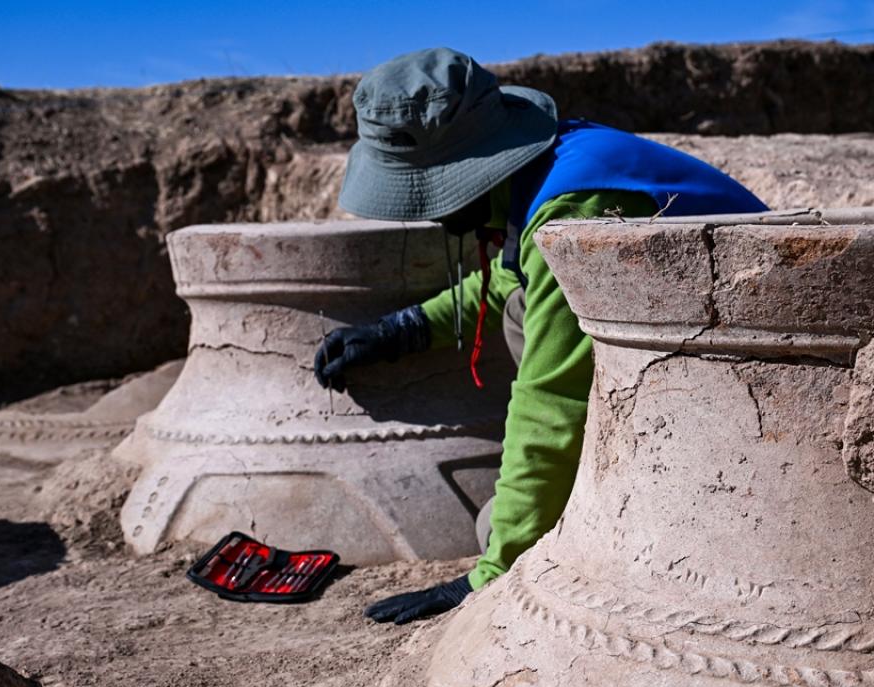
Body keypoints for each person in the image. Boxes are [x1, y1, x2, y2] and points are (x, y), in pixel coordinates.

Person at [313, 48, 767, 624]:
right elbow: (510, 279)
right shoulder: (547, 168)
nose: (427, 214)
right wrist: (402, 329)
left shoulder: (573, 205)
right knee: (520, 311)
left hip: (737, 397)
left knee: (496, 530)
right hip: (696, 365)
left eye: (426, 191)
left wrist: (491, 576)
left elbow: (551, 395)